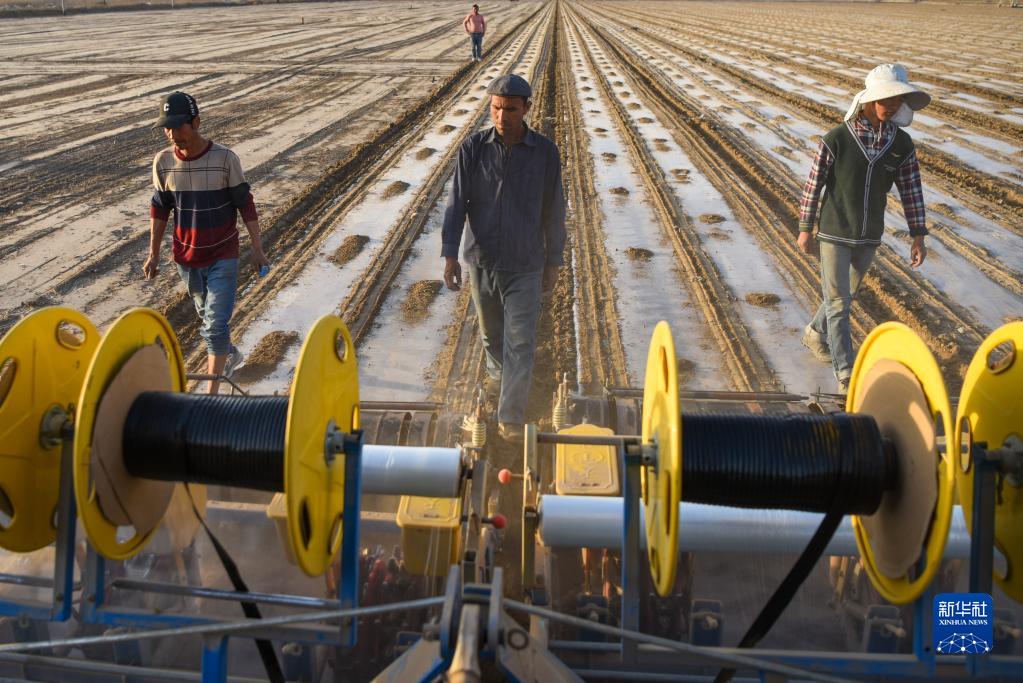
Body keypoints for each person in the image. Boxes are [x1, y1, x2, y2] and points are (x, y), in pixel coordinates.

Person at [441, 74, 566, 441]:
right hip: (481, 259)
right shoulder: (474, 149)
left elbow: (553, 210)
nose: (501, 116)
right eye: (495, 108)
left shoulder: (544, 153)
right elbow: (456, 204)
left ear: (527, 108)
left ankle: (510, 417)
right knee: (491, 336)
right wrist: (450, 255)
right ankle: (498, 380)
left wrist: (553, 261)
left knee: (521, 340)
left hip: (525, 262)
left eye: (510, 109)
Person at [797, 64, 930, 393]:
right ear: (870, 101)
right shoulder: (837, 139)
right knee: (840, 304)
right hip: (833, 231)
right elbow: (813, 186)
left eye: (899, 99)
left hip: (869, 235)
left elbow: (912, 190)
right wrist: (805, 227)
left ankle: (814, 332)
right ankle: (846, 374)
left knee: (843, 295)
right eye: (888, 99)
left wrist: (918, 235)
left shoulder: (901, 145)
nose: (895, 105)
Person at [143, 91, 269, 394]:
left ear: (196, 122)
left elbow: (245, 203)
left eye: (179, 126)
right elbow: (160, 209)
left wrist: (258, 248)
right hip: (186, 258)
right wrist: (153, 254)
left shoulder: (225, 159)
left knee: (213, 324)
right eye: (167, 128)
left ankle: (210, 396)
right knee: (207, 318)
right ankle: (230, 356)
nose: (173, 134)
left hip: (223, 253)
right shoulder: (162, 162)